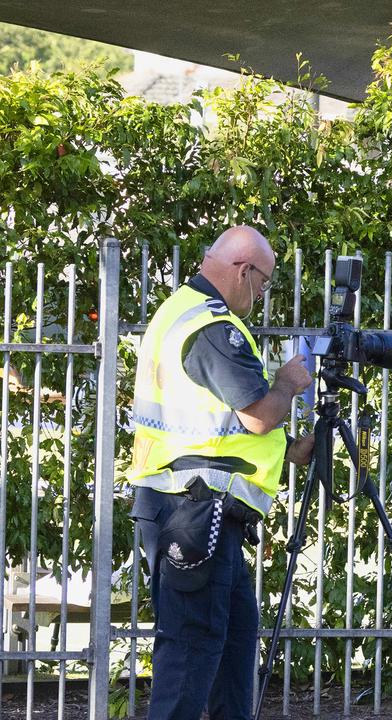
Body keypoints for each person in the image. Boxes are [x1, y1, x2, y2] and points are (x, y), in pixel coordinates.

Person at [127, 225, 315, 720]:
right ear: (242, 269)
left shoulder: (183, 312)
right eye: (264, 282)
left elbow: (223, 425)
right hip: (191, 510)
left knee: (231, 650)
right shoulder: (211, 325)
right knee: (191, 657)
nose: (261, 293)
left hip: (198, 512)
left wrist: (292, 449)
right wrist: (288, 383)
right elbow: (256, 413)